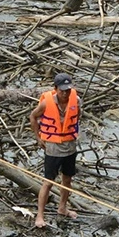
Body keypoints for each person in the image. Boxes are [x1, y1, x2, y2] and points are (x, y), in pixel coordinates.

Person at [30, 72, 81, 228]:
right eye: (62, 90)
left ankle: (62, 207)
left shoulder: (76, 100)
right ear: (56, 88)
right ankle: (40, 215)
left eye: (68, 90)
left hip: (70, 146)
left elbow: (77, 117)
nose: (65, 93)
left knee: (67, 179)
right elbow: (33, 116)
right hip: (53, 147)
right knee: (48, 182)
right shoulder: (47, 103)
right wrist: (38, 138)